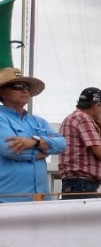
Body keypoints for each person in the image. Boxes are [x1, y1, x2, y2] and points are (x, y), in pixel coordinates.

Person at [0, 67, 66, 202]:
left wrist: (35, 142)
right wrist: (43, 152)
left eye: (27, 87)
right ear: (2, 92)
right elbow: (10, 150)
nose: (25, 90)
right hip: (8, 199)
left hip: (40, 199)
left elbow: (62, 144)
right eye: (18, 86)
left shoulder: (38, 121)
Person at [58, 87, 101, 199]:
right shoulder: (83, 118)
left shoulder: (72, 118)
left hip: (75, 183)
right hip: (81, 183)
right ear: (97, 105)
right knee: (86, 216)